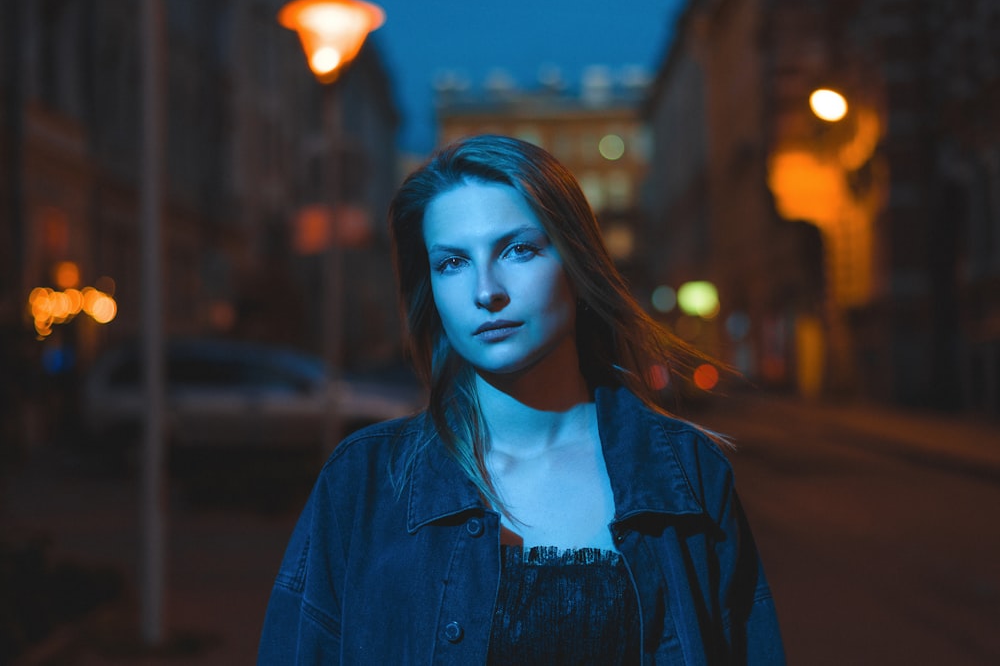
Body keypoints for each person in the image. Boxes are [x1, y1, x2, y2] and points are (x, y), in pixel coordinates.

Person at [258, 135, 785, 664]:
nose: (487, 291)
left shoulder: (688, 474)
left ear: (578, 266)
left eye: (518, 250)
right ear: (432, 291)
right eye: (452, 263)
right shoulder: (365, 482)